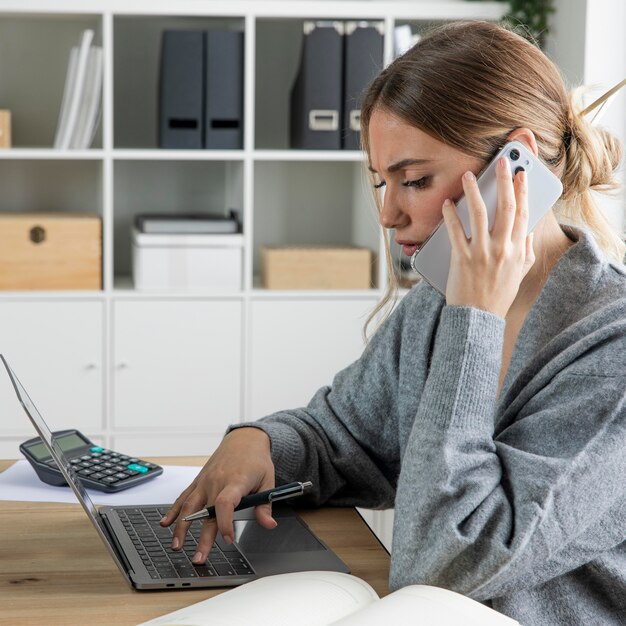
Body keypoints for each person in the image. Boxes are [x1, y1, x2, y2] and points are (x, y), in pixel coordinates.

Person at [161, 21, 626, 625]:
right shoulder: (438, 308)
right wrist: (263, 441)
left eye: (413, 180)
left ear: (518, 167)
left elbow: (444, 564)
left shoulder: (608, 346)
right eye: (383, 182)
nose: (387, 212)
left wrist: (474, 318)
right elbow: (344, 436)